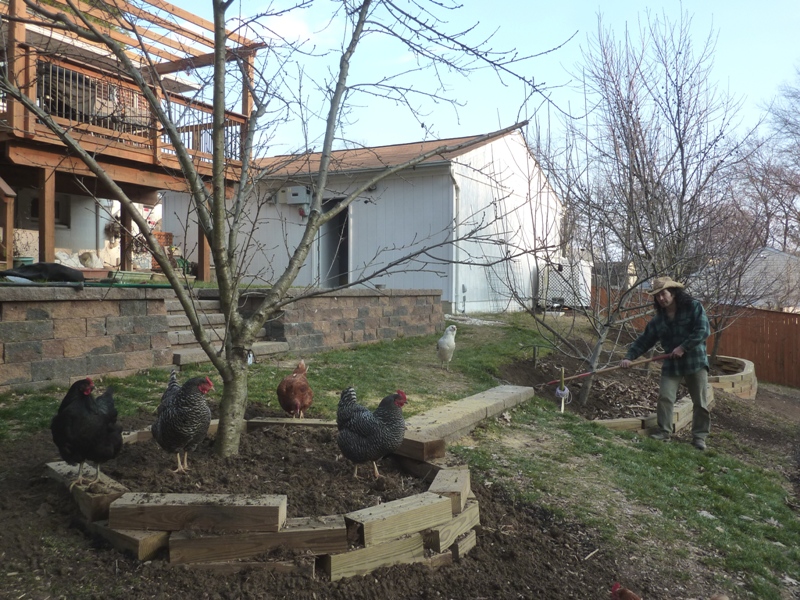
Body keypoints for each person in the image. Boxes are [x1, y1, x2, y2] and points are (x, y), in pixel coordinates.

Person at [620, 276, 711, 450]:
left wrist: (683, 347)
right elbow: (644, 340)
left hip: (695, 361)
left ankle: (699, 437)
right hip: (672, 363)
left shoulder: (693, 307)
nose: (661, 298)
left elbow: (703, 330)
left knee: (700, 401)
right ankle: (664, 432)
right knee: (665, 397)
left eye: (664, 294)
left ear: (673, 293)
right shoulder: (658, 321)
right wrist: (629, 357)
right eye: (657, 296)